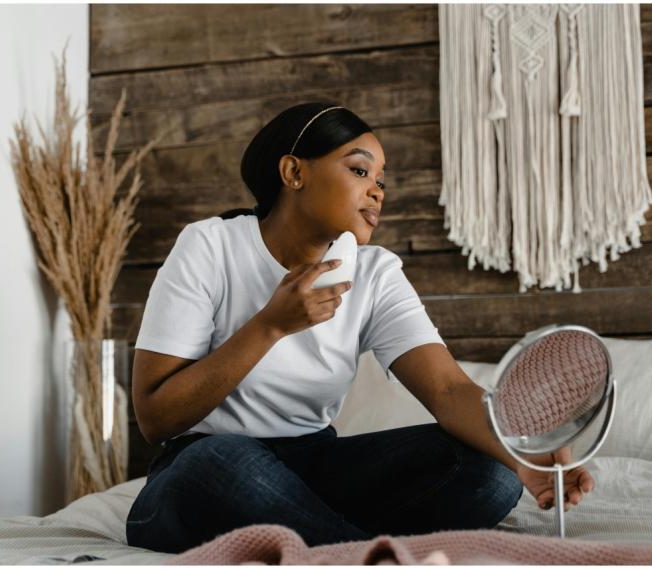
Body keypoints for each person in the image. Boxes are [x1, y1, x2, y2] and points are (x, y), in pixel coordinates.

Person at [125, 102, 595, 553]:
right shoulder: (210, 246)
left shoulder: (375, 273)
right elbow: (155, 417)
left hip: (315, 467)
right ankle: (363, 554)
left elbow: (449, 390)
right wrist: (269, 326)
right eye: (359, 170)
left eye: (381, 181)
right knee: (223, 461)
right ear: (294, 173)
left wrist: (523, 457)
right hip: (202, 471)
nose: (377, 191)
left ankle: (331, 544)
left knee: (486, 473)